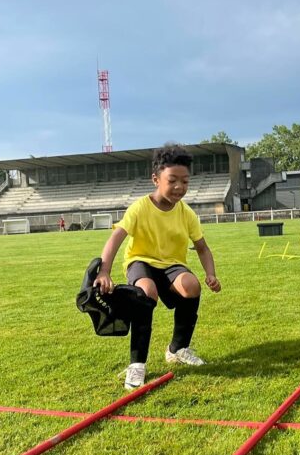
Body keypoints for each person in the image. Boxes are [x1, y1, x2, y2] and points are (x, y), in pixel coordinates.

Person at [93, 144, 221, 390]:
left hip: (172, 265)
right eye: (172, 180)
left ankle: (178, 349)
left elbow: (202, 248)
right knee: (146, 292)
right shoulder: (141, 207)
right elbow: (116, 238)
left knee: (191, 286)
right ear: (156, 179)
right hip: (141, 261)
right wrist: (104, 271)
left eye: (185, 181)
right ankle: (137, 364)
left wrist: (210, 274)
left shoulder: (186, 213)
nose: (179, 187)